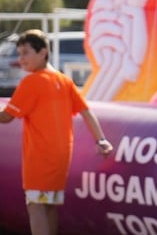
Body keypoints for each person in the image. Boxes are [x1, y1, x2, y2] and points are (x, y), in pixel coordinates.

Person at [0, 29, 113, 235]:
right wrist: (101, 140)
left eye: (25, 52)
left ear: (43, 52)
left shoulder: (31, 81)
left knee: (36, 205)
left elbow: (6, 117)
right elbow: (86, 112)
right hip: (61, 158)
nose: (21, 58)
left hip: (39, 158)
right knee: (49, 205)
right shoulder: (64, 80)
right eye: (19, 53)